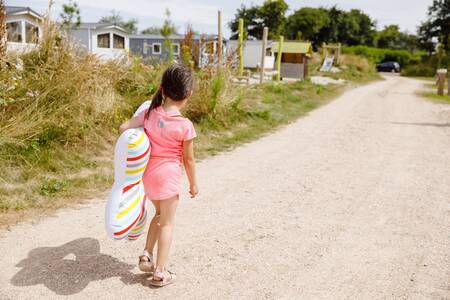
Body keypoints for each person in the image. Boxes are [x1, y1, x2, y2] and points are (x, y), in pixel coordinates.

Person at [118, 63, 198, 287]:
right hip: (168, 177)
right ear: (188, 95)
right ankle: (160, 272)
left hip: (148, 176)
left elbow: (124, 127)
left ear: (163, 90)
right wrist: (193, 184)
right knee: (168, 223)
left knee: (160, 215)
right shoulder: (185, 125)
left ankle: (146, 255)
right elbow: (188, 160)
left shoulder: (150, 113)